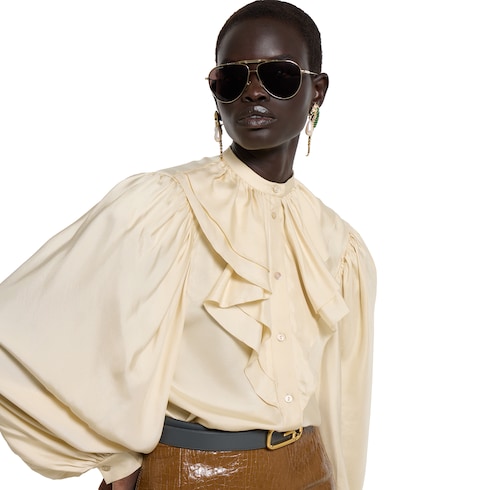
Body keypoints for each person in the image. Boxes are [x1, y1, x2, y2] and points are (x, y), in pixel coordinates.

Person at [0, 1, 376, 489]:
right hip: (190, 474)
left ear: (317, 90)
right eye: (231, 79)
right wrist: (115, 459)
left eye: (278, 75)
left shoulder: (339, 245)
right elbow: (23, 333)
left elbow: (344, 405)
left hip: (309, 472)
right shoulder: (164, 207)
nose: (253, 91)